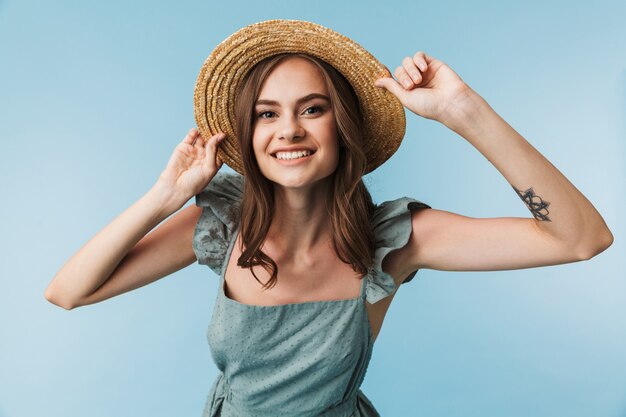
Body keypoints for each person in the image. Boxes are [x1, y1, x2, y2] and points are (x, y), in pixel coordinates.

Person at [45, 19, 613, 417]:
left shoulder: (394, 240)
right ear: (248, 134)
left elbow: (581, 239)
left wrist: (465, 113)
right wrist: (161, 198)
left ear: (342, 127)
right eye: (267, 114)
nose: (288, 130)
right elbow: (68, 292)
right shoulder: (222, 222)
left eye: (311, 109)